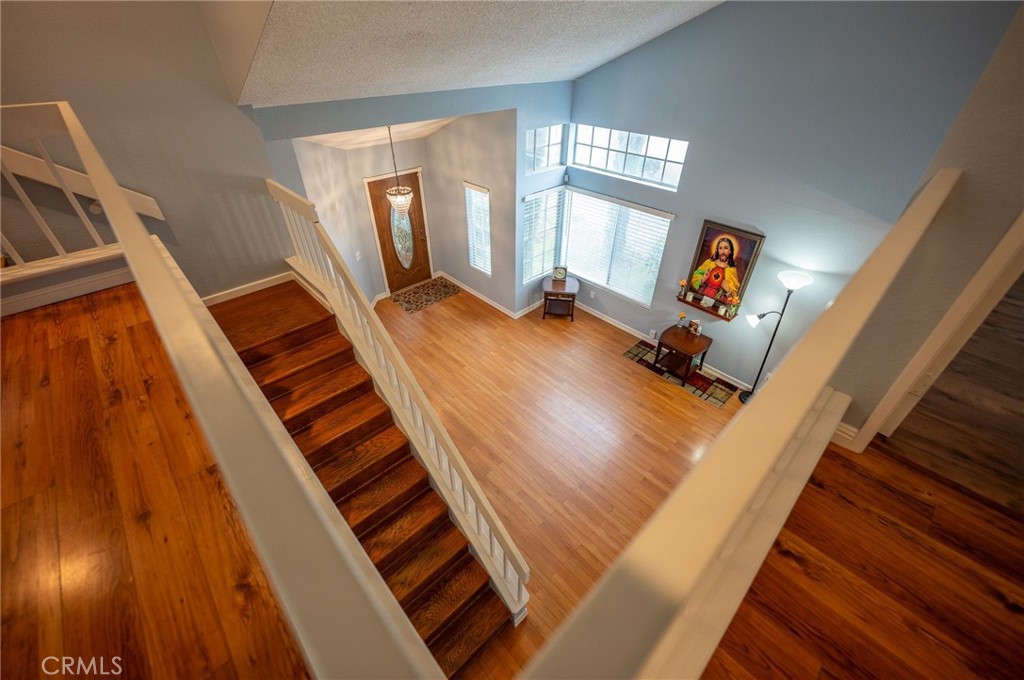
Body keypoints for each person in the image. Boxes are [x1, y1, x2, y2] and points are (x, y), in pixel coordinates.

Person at [691, 236, 740, 301]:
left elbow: (734, 293)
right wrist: (703, 279)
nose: (722, 251)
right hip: (701, 295)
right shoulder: (709, 262)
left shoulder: (731, 269)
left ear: (730, 251)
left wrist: (727, 289)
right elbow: (694, 278)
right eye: (720, 248)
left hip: (718, 301)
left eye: (725, 248)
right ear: (717, 250)